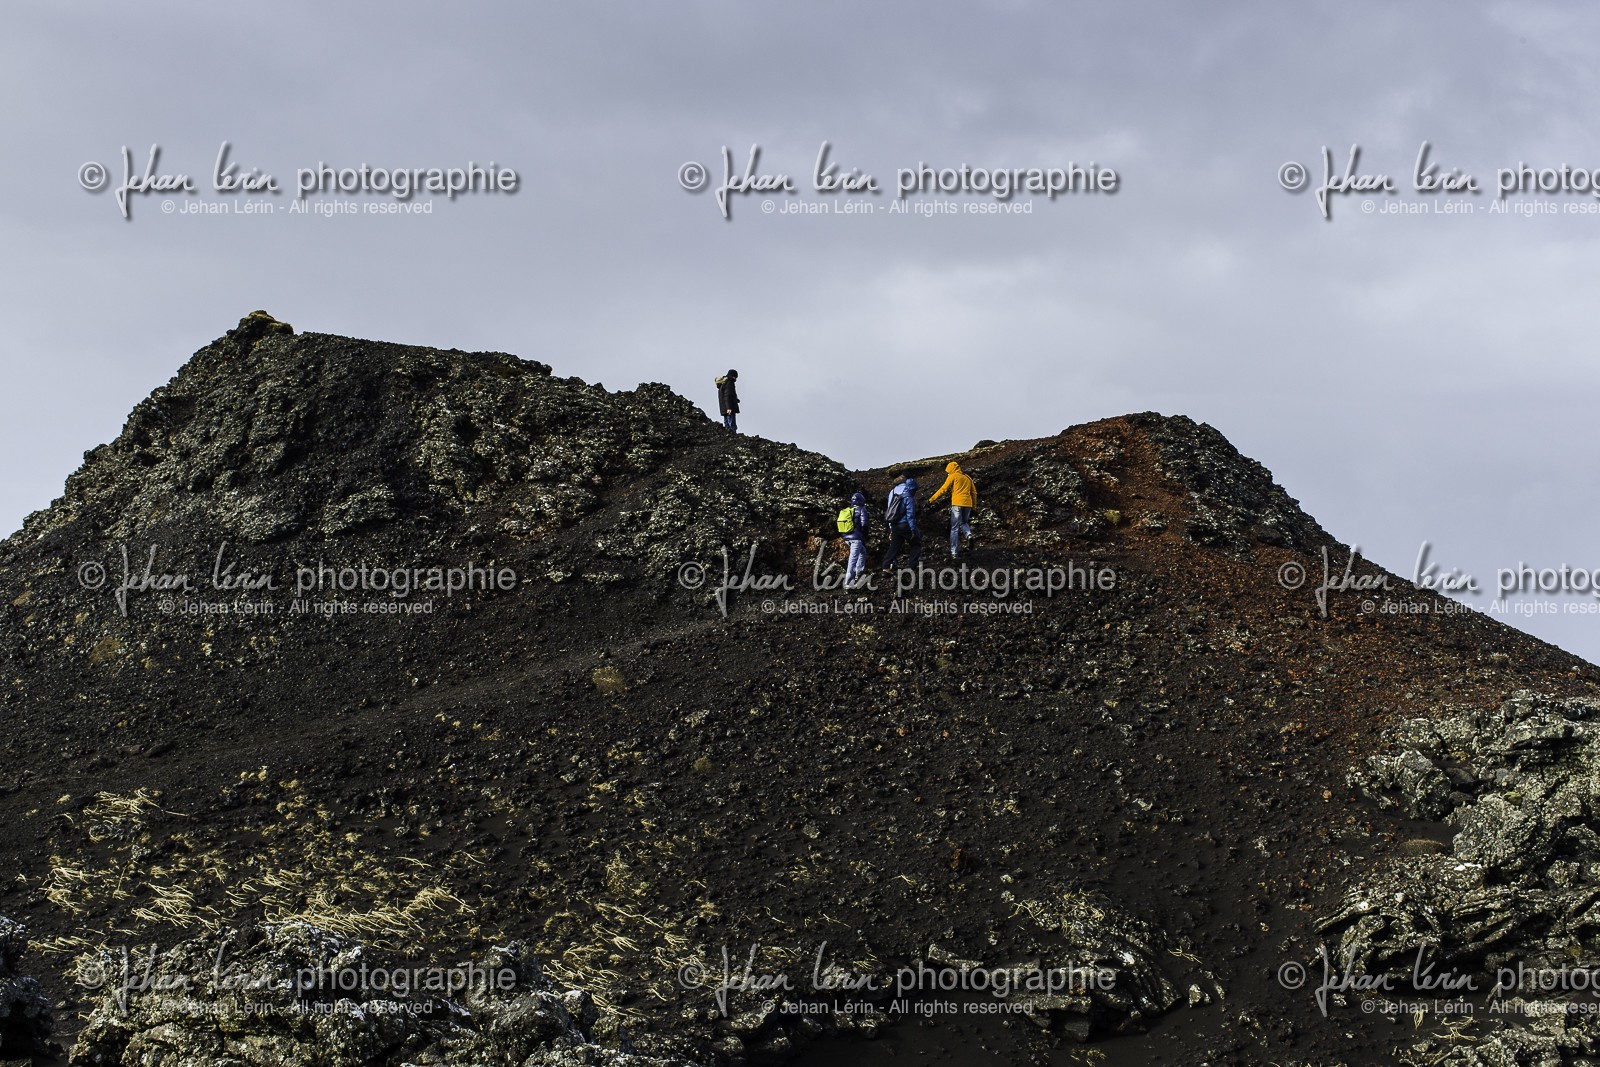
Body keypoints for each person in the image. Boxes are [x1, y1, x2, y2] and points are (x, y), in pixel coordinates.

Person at [928, 461, 978, 559]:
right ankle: (969, 535)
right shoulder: (967, 477)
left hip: (957, 504)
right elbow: (974, 492)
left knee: (954, 528)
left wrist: (932, 499)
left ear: (951, 469)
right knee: (964, 522)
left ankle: (954, 553)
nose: (947, 473)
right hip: (968, 504)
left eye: (948, 471)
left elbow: (943, 489)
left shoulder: (953, 476)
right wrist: (974, 506)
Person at [882, 476, 921, 570]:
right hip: (904, 525)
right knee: (916, 544)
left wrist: (891, 527)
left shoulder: (894, 493)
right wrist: (912, 529)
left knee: (894, 546)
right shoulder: (908, 497)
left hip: (895, 525)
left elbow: (890, 510)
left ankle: (886, 566)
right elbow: (910, 515)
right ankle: (912, 566)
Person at [840, 491, 870, 588]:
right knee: (853, 559)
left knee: (863, 552)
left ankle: (859, 572)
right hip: (856, 538)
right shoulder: (862, 510)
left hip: (847, 538)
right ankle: (848, 582)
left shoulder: (848, 510)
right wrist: (864, 535)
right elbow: (864, 524)